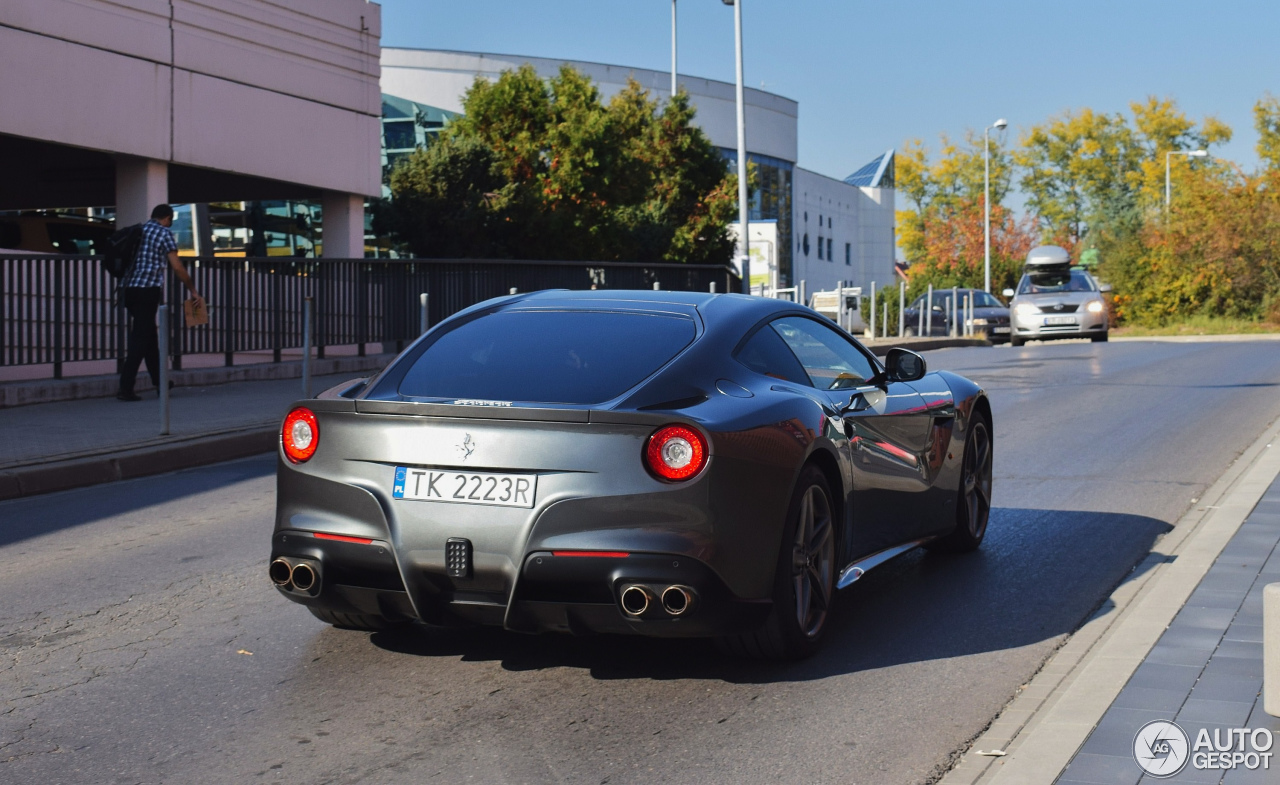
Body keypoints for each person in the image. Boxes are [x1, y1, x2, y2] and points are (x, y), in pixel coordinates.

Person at [117, 204, 202, 402]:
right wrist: (192, 289)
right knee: (140, 338)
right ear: (167, 218)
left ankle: (160, 382)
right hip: (147, 291)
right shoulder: (164, 234)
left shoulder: (139, 230)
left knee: (148, 336)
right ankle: (125, 387)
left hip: (128, 290)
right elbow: (177, 267)